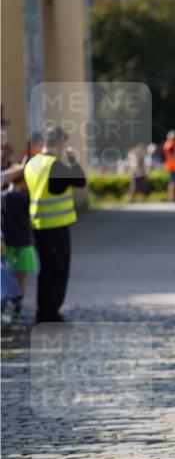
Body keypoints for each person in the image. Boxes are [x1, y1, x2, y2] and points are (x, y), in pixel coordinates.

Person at [23, 126, 86, 324]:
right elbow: (80, 181)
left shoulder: (33, 163)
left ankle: (44, 312)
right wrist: (74, 161)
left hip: (38, 225)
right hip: (56, 227)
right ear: (60, 144)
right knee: (58, 272)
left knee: (46, 272)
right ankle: (50, 314)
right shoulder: (54, 165)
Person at [1, 171, 38, 324]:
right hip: (24, 242)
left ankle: (3, 308)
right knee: (21, 278)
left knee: (4, 277)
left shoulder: (3, 196)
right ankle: (18, 309)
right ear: (23, 182)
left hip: (6, 243)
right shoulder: (25, 199)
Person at [163, 129, 175, 202]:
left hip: (174, 167)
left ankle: (172, 198)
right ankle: (172, 198)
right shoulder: (170, 144)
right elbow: (172, 154)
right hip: (172, 167)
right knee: (173, 182)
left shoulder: (174, 144)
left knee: (173, 182)